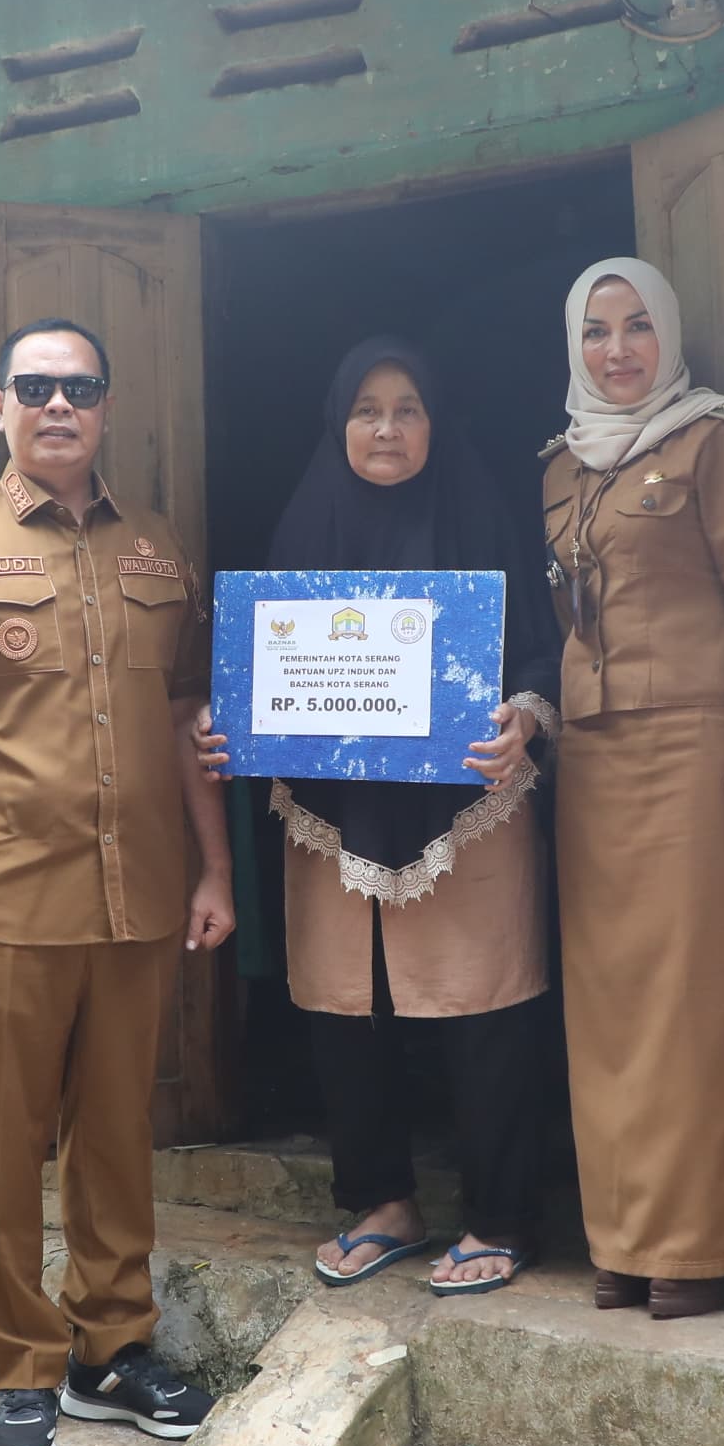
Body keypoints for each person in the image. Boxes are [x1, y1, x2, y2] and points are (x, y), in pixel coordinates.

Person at [0, 317, 236, 1446]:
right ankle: (21, 1358)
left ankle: (110, 1348)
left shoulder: (158, 549)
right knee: (0, 1141)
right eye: (37, 386)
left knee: (118, 1131)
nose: (59, 404)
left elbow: (186, 726)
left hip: (135, 897)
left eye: (80, 387)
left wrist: (216, 865)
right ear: (1, 403)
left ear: (108, 406)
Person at [272, 340, 561, 1297]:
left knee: (487, 1003)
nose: (387, 428)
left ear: (436, 424)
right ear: (336, 424)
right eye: (366, 410)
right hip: (336, 806)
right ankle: (383, 1204)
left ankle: (501, 1216)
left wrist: (525, 716)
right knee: (343, 1005)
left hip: (471, 795)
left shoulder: (481, 514)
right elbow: (261, 670)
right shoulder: (306, 521)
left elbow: (544, 650)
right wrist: (228, 725)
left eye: (408, 409)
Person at [541, 261, 724, 1320]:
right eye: (598, 330)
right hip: (592, 756)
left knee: (694, 995)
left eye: (639, 326)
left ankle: (702, 1246)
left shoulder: (715, 439)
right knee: (608, 999)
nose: (619, 349)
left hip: (698, 744)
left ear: (668, 332)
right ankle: (625, 1240)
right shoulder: (560, 462)